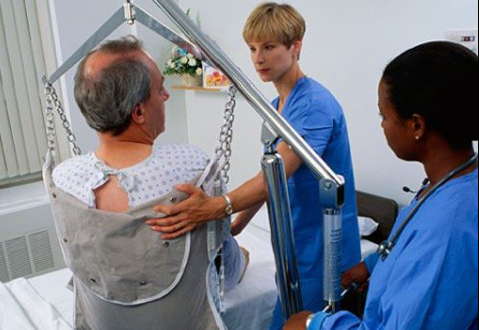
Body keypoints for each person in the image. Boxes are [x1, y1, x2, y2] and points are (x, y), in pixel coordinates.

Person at [146, 3, 361, 329]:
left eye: (269, 47)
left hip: (321, 252)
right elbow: (271, 181)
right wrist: (235, 225)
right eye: (252, 48)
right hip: (292, 246)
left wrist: (218, 207)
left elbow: (280, 172)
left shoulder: (314, 106)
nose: (258, 58)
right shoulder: (277, 106)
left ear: (296, 46)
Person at [49, 35, 247, 330]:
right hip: (187, 317)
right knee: (229, 248)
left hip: (102, 320)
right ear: (139, 112)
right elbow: (220, 251)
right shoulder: (190, 165)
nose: (166, 97)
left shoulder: (63, 178)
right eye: (160, 89)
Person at [284, 41, 478, 330]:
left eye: (383, 116)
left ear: (416, 126)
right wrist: (376, 264)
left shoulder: (449, 227)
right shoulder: (451, 184)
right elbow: (413, 249)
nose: (382, 126)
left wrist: (315, 324)